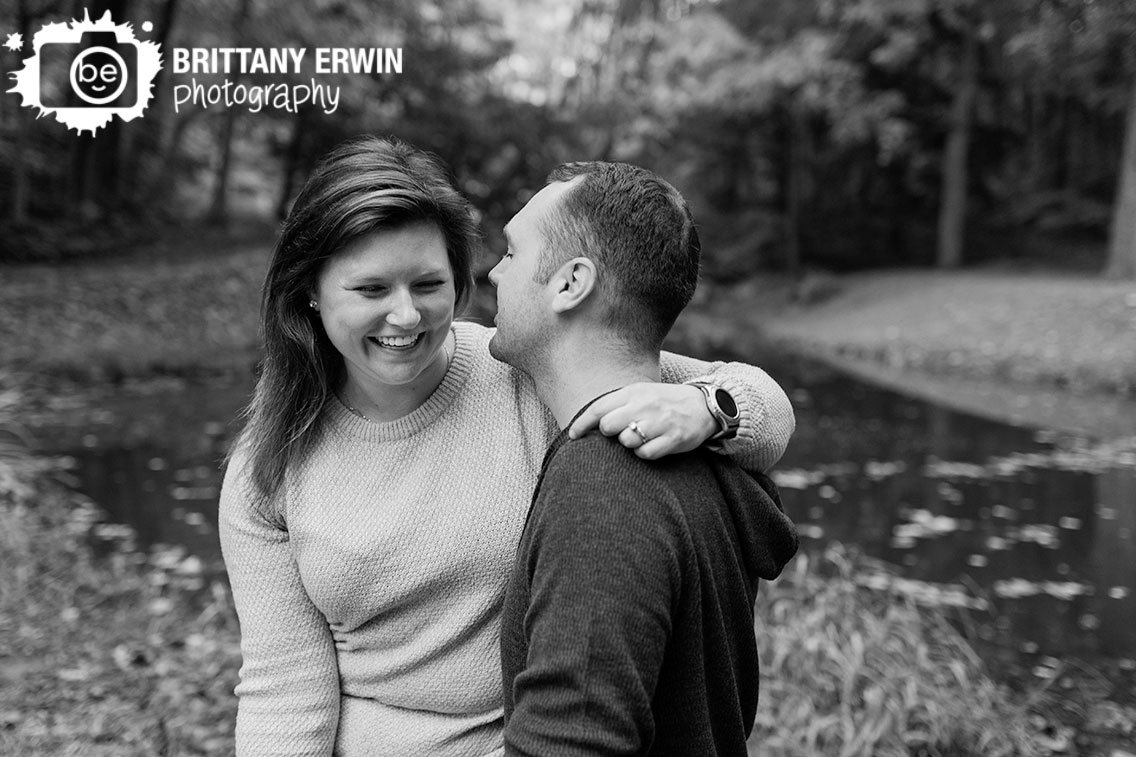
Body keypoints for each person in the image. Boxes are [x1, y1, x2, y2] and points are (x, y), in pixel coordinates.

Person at [218, 135, 795, 756]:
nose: (407, 315)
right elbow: (284, 688)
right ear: (310, 291)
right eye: (371, 290)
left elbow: (759, 401)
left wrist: (712, 407)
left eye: (428, 283)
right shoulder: (270, 462)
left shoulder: (523, 371)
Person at [491, 162, 799, 755]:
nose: (492, 272)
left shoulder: (604, 485)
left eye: (510, 252)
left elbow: (571, 741)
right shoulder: (707, 458)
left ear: (570, 283)